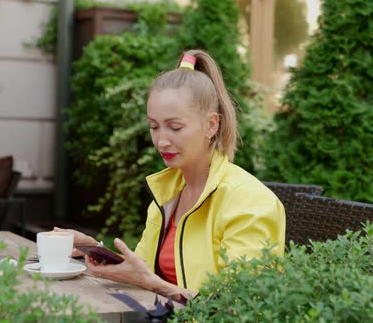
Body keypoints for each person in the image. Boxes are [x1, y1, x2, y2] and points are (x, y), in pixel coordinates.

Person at [56, 49, 285, 302]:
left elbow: (241, 307)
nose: (161, 141)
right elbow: (142, 270)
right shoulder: (169, 191)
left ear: (211, 125)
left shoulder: (249, 202)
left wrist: (153, 284)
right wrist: (97, 250)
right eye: (154, 126)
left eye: (175, 127)